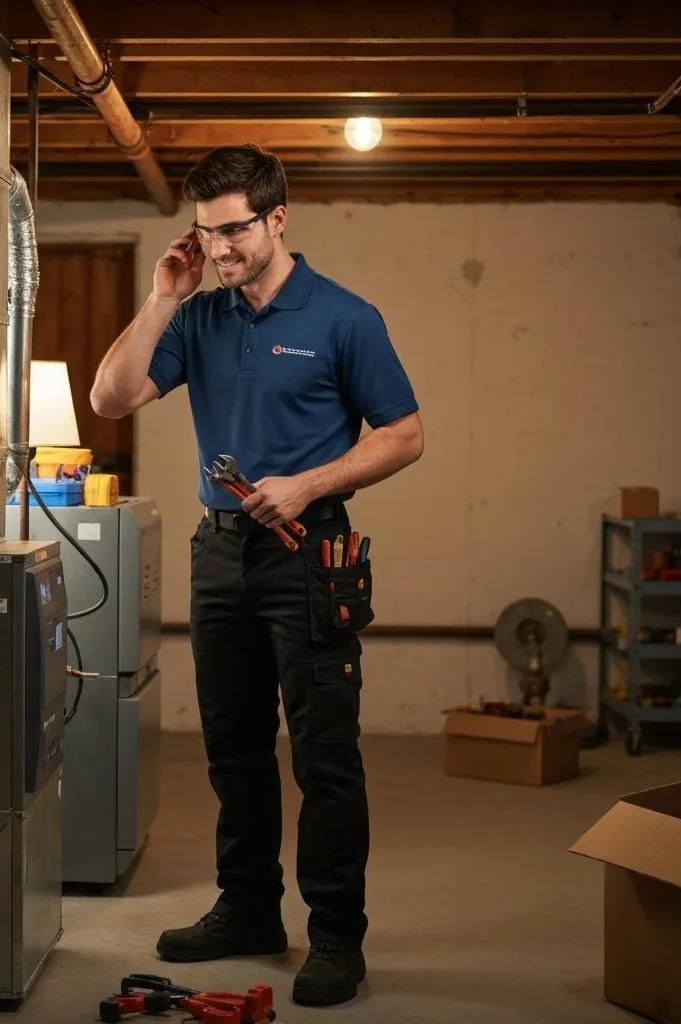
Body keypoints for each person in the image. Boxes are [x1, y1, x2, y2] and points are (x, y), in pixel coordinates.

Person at [90, 144, 423, 1007]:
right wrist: (165, 296)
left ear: (278, 218)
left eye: (233, 229)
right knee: (232, 749)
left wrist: (309, 483)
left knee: (324, 757)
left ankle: (337, 938)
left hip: (310, 554)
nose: (220, 249)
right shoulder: (199, 317)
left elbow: (403, 434)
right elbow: (110, 397)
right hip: (219, 552)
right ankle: (247, 911)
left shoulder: (346, 318)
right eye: (205, 233)